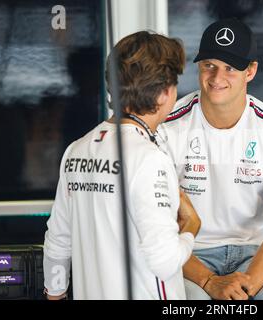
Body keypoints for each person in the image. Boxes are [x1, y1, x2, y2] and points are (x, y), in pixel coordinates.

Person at [43, 31, 201, 300]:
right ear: (164, 93)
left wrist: (55, 294)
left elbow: (58, 242)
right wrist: (191, 228)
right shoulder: (150, 159)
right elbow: (164, 263)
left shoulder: (76, 150)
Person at [159, 18, 263, 300]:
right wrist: (210, 282)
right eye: (209, 65)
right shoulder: (166, 126)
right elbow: (157, 228)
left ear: (250, 71)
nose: (216, 78)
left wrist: (241, 290)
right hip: (189, 256)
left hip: (254, 257)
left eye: (230, 68)